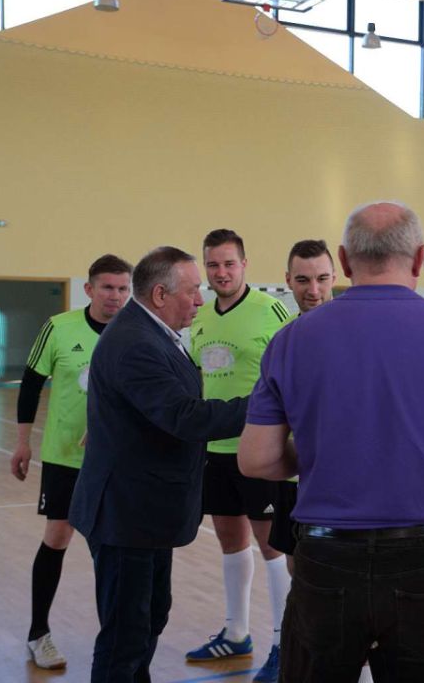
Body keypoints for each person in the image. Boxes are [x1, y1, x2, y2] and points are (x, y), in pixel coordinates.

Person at [239, 201, 424, 682]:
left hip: (326, 558)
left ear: (342, 260)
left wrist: (323, 450)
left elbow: (256, 459)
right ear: (420, 258)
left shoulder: (292, 339)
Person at [69, 246, 250, 683]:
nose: (201, 300)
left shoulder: (151, 332)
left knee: (149, 617)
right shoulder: (135, 342)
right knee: (125, 634)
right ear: (160, 294)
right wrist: (270, 404)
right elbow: (184, 417)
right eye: (193, 291)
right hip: (125, 514)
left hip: (144, 511)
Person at [10, 254, 132, 670]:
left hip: (115, 461)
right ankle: (38, 634)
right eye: (107, 287)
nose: (115, 296)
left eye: (123, 288)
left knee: (112, 546)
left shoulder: (135, 333)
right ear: (89, 289)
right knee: (58, 536)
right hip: (64, 458)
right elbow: (30, 384)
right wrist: (22, 442)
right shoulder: (59, 328)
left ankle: (113, 638)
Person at [186, 229, 291, 680]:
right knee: (230, 539)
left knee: (272, 546)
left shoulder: (272, 311)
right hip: (214, 448)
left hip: (260, 449)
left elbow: (293, 371)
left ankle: (284, 642)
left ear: (244, 264)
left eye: (229, 264)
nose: (221, 273)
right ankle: (235, 632)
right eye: (213, 265)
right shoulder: (200, 317)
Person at [267, 239, 337, 573]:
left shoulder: (357, 334)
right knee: (297, 571)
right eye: (302, 280)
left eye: (322, 278)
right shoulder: (283, 340)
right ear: (287, 280)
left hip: (343, 480)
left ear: (334, 276)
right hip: (294, 480)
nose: (313, 290)